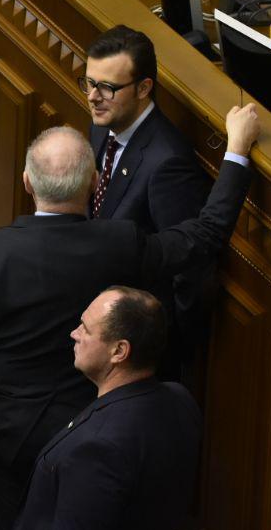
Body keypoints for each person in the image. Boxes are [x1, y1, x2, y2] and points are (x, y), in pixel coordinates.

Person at [0, 105, 258, 530]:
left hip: (10, 429)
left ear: (27, 182)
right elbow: (204, 235)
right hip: (97, 428)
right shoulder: (120, 244)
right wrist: (237, 151)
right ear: (95, 183)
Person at [0, 286, 202, 530]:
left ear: (119, 351)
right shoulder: (180, 399)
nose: (74, 334)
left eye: (86, 329)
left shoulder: (97, 449)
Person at [83, 25, 212, 371]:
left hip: (139, 343)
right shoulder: (103, 124)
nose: (93, 97)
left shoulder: (167, 161)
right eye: (90, 83)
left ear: (143, 88)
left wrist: (171, 350)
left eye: (107, 87)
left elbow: (187, 265)